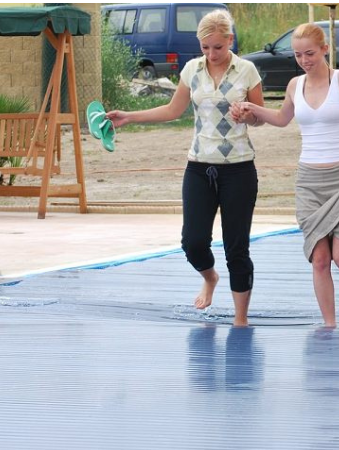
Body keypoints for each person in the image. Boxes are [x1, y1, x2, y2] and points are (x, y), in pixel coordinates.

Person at [106, 10, 264, 327]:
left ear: (229, 40)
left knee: (237, 247)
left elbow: (259, 118)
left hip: (238, 169)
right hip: (198, 167)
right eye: (205, 47)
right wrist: (129, 117)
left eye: (217, 47)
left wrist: (247, 114)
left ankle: (241, 319)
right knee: (192, 243)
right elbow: (172, 110)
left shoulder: (247, 71)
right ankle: (209, 277)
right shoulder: (192, 69)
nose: (211, 54)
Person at [231, 23, 339, 328]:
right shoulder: (294, 86)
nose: (304, 60)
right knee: (319, 259)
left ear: (325, 49)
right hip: (309, 182)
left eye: (310, 53)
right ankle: (330, 325)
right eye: (298, 54)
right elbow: (280, 118)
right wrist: (252, 109)